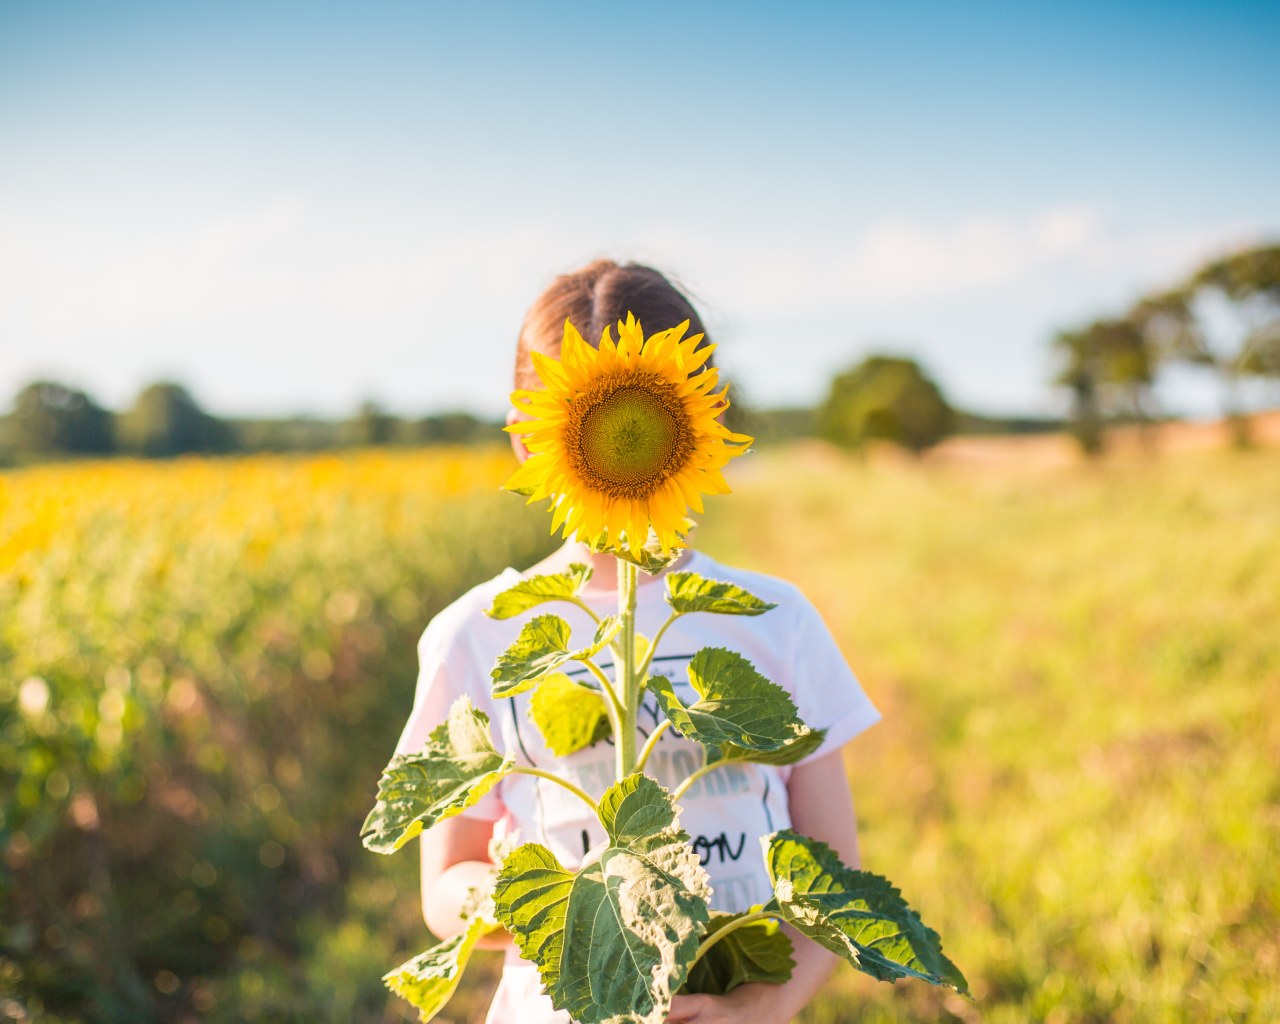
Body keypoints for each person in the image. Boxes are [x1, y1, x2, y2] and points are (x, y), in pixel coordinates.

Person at [398, 259, 881, 1024]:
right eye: (591, 418)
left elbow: (835, 878)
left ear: (704, 420)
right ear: (530, 438)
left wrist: (759, 1008)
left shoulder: (775, 619)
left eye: (646, 417)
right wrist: (546, 900)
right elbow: (444, 886)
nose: (627, 439)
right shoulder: (479, 634)